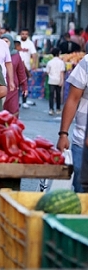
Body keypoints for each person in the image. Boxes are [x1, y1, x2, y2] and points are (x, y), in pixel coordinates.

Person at [56, 54, 88, 192]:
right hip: (82, 141)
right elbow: (73, 99)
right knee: (82, 194)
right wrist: (63, 134)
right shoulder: (86, 62)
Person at [0, 35, 28, 117]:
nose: (4, 43)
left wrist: (24, 86)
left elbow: (21, 72)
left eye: (7, 41)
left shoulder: (16, 55)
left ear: (11, 43)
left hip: (12, 88)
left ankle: (13, 129)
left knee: (13, 110)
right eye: (2, 41)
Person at [18, 28, 38, 109]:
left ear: (28, 35)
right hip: (16, 67)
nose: (24, 35)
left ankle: (24, 101)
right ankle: (16, 101)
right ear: (20, 34)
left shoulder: (30, 43)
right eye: (23, 34)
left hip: (26, 68)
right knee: (16, 85)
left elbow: (34, 54)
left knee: (24, 85)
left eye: (26, 34)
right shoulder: (17, 42)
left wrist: (34, 64)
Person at [46, 47, 65, 116]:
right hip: (58, 80)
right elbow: (62, 72)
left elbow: (47, 72)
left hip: (51, 80)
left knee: (51, 95)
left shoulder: (49, 62)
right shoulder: (61, 62)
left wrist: (51, 75)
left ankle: (51, 109)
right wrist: (62, 81)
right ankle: (58, 108)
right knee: (58, 95)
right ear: (58, 54)